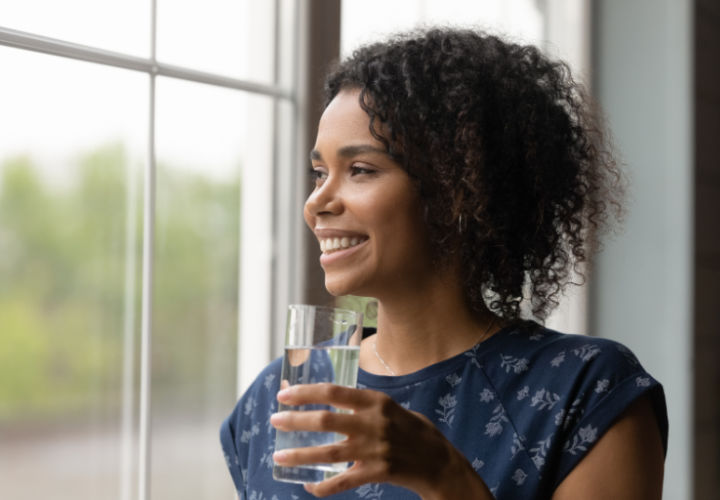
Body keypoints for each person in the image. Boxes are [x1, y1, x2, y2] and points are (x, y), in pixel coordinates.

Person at [220, 28, 667, 499]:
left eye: (361, 170)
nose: (317, 203)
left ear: (459, 190)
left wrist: (443, 474)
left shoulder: (586, 391)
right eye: (318, 174)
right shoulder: (277, 397)